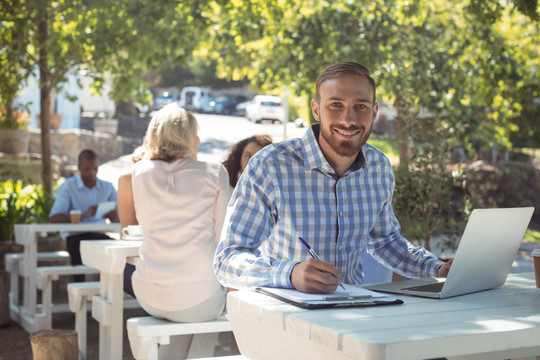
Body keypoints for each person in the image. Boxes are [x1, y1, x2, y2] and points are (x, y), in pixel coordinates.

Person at [214, 62, 452, 294]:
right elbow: (228, 259)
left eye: (360, 106)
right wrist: (290, 274)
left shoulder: (379, 167)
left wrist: (438, 268)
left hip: (356, 310)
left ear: (374, 112)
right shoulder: (270, 166)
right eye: (336, 104)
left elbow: (386, 242)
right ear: (316, 109)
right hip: (288, 317)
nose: (348, 119)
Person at [120, 103, 230, 358]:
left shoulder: (137, 174)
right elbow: (221, 240)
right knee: (208, 305)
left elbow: (132, 229)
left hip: (149, 293)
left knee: (186, 312)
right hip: (200, 297)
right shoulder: (214, 173)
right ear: (192, 137)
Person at [49, 149, 118, 281]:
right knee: (78, 253)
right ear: (79, 167)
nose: (92, 173)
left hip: (100, 237)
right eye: (87, 169)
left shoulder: (108, 187)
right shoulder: (68, 187)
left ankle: (111, 296)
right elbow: (54, 218)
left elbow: (121, 217)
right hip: (76, 237)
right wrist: (83, 216)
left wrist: (112, 216)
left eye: (95, 169)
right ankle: (79, 297)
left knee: (118, 255)